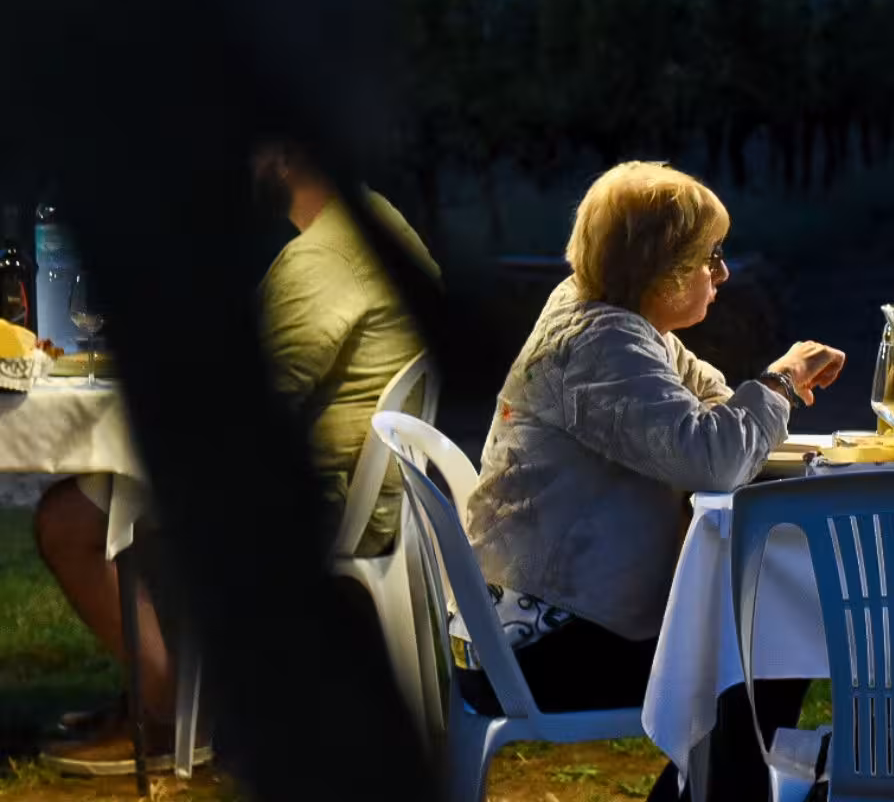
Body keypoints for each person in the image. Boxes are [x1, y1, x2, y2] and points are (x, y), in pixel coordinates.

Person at [36, 142, 439, 774]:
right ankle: (152, 694)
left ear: (285, 157)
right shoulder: (376, 221)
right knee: (123, 489)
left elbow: (247, 404)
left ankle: (165, 714)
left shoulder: (321, 260)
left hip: (315, 498)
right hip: (372, 487)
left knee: (66, 519)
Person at [460, 161, 845, 801]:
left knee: (771, 637)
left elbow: (712, 404)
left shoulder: (623, 322)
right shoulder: (600, 343)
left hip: (549, 616)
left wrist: (751, 409)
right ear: (657, 267)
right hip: (544, 647)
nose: (720, 274)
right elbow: (712, 457)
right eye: (707, 258)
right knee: (773, 644)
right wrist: (778, 383)